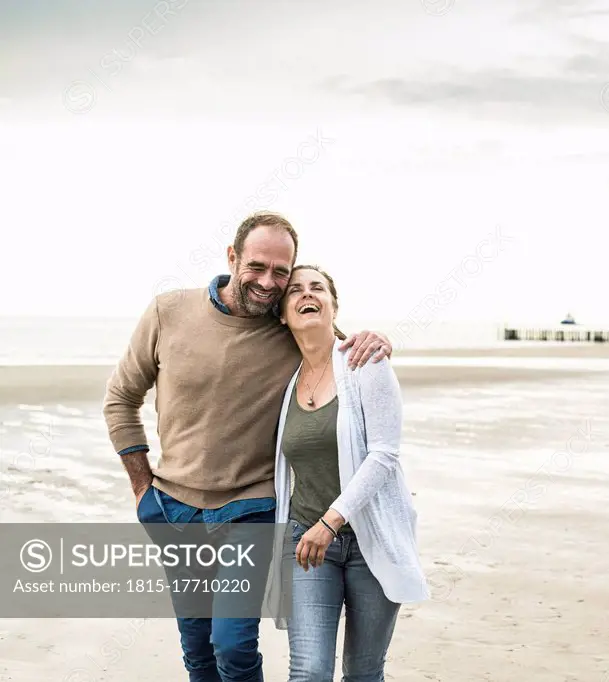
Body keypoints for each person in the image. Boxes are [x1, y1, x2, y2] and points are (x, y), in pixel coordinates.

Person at [103, 211, 392, 682]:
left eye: (282, 271)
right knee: (197, 649)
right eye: (257, 266)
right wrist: (142, 490)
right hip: (174, 508)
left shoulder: (285, 326)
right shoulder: (167, 311)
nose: (268, 281)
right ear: (232, 257)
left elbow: (337, 341)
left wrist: (373, 338)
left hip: (251, 508)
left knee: (232, 645)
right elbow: (120, 398)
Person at [264, 264, 429, 682]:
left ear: (334, 306)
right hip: (307, 542)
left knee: (363, 671)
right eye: (296, 290)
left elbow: (384, 455)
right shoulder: (284, 379)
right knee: (310, 671)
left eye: (317, 288)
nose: (308, 294)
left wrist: (331, 521)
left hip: (371, 537)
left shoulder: (364, 362)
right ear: (283, 314)